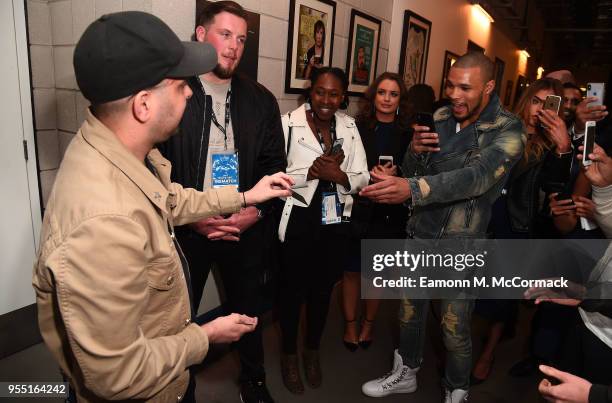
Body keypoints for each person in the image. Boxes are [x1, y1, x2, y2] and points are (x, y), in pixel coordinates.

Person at [31, 11, 293, 403]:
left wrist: (246, 197)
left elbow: (168, 198)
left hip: (165, 370)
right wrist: (205, 337)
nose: (189, 93)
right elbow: (116, 374)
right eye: (179, 86)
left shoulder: (120, 151)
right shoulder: (103, 222)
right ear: (143, 105)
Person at [359, 52, 525, 403]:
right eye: (450, 84)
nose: (453, 94)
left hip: (461, 243)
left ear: (489, 87)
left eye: (465, 87)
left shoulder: (508, 129)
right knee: (407, 313)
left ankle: (456, 390)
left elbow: (477, 178)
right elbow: (413, 166)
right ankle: (406, 371)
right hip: (420, 233)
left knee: (453, 327)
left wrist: (413, 188)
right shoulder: (439, 116)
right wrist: (414, 154)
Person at [156, 2, 287, 402]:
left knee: (247, 311)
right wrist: (193, 219)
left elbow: (273, 165)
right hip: (187, 231)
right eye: (225, 34)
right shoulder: (173, 91)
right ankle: (182, 390)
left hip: (242, 226)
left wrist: (256, 211)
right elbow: (153, 169)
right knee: (178, 319)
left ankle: (254, 380)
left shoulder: (260, 99)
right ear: (200, 35)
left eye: (241, 39)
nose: (233, 47)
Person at [277, 67, 369, 395]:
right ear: (310, 91)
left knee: (321, 293)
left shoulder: (349, 126)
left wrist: (340, 176)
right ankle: (289, 355)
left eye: (334, 94)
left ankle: (311, 352)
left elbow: (362, 175)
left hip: (334, 222)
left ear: (343, 96)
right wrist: (313, 172)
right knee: (292, 294)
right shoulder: (288, 124)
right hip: (299, 219)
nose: (326, 100)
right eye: (320, 92)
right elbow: (275, 175)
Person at [342, 72, 412, 352]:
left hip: (390, 212)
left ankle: (368, 325)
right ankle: (349, 325)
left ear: (400, 100)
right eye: (382, 92)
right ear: (374, 96)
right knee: (350, 271)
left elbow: (420, 173)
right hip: (359, 207)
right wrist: (366, 175)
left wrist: (399, 175)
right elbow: (345, 165)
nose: (386, 98)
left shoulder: (409, 133)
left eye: (393, 94)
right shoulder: (357, 127)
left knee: (375, 273)